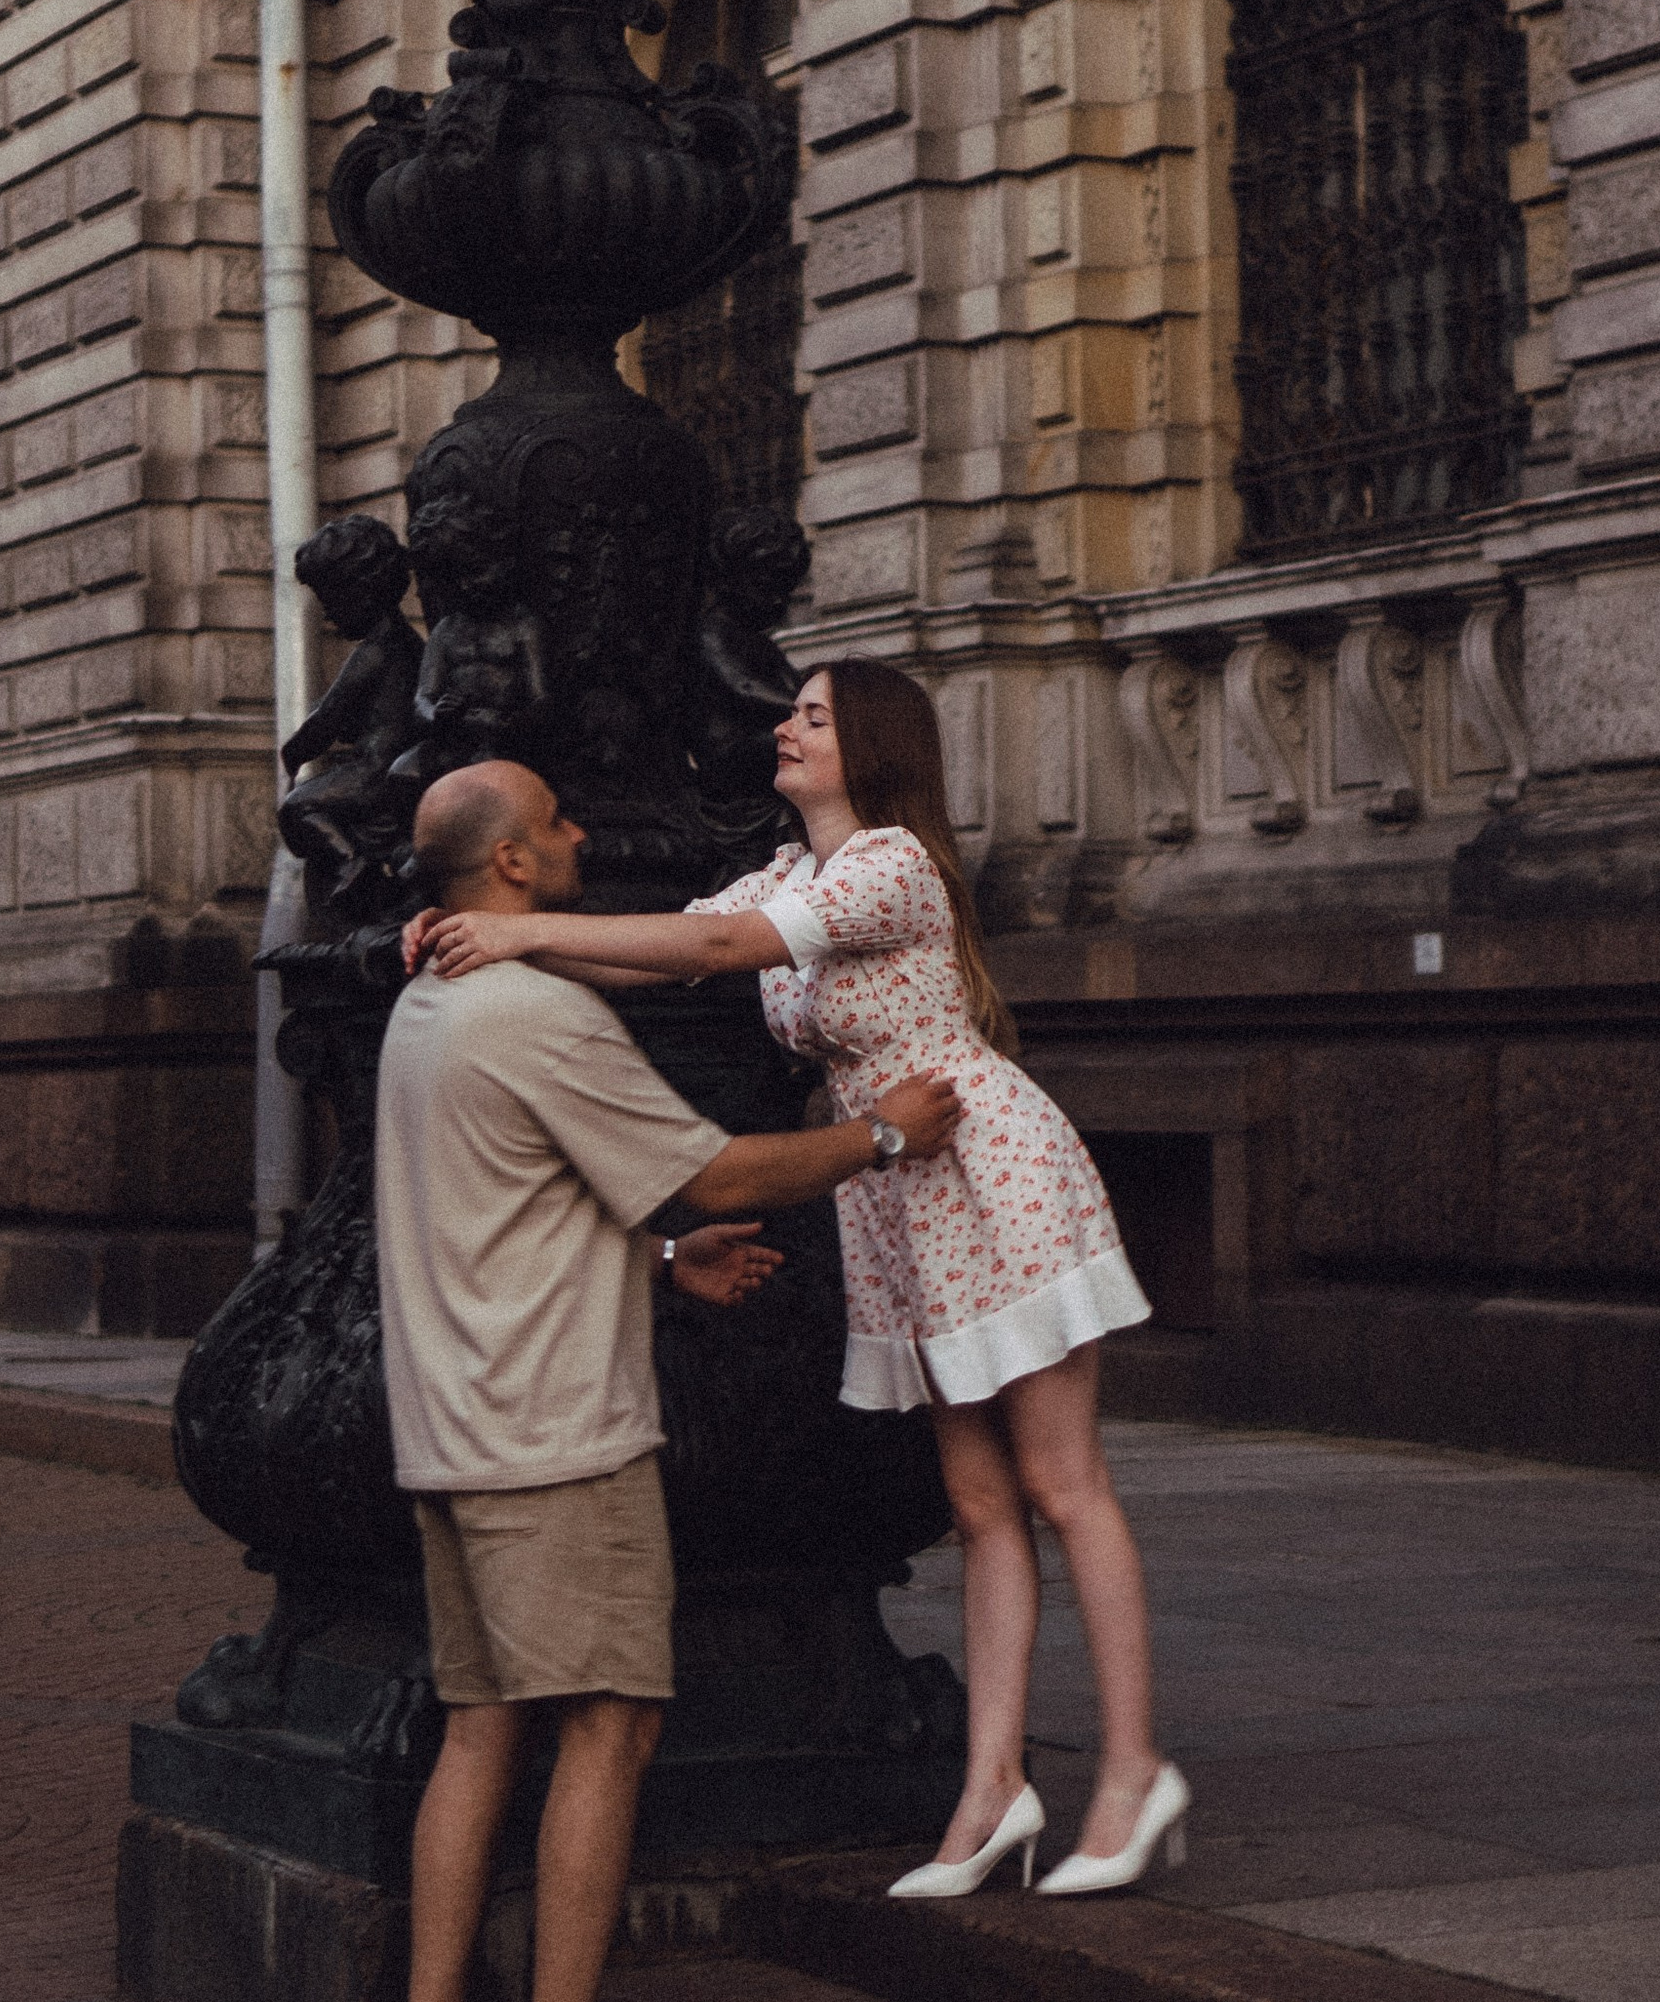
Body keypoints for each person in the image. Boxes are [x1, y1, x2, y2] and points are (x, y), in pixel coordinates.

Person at [413, 664, 1184, 1903]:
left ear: (869, 748)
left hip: (983, 1165)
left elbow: (718, 944)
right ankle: (992, 1789)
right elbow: (673, 959)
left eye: (813, 718)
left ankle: (1135, 1771)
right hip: (899, 1189)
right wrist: (490, 947)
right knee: (977, 1503)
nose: (785, 726)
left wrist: (526, 927)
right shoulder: (794, 873)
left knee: (1061, 1482)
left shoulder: (888, 863)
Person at [375, 756, 962, 2002]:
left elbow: (498, 1193)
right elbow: (722, 1171)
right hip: (556, 1434)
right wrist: (887, 1135)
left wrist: (646, 1259)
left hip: (450, 1426)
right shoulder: (536, 1009)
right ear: (512, 865)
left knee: (478, 1728)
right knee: (612, 1726)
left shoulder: (424, 1005)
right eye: (561, 822)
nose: (582, 831)